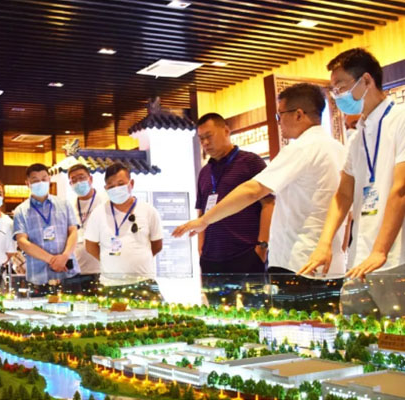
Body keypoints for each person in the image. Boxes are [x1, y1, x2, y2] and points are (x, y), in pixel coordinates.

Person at [174, 84, 347, 277]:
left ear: (298, 115)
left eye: (280, 115)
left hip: (299, 260)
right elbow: (345, 204)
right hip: (330, 260)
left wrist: (205, 220)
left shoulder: (301, 148)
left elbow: (253, 191)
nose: (279, 122)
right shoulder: (339, 149)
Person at [300, 49, 405, 314]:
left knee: (396, 333)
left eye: (341, 87)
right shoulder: (357, 136)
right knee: (355, 332)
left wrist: (380, 250)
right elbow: (343, 194)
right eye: (333, 90)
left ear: (366, 80)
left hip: (395, 258)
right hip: (359, 258)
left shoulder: (400, 119)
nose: (337, 96)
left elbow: (401, 189)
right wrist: (324, 244)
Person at [190, 113, 274, 274]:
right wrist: (201, 247)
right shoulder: (205, 172)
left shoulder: (251, 162)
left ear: (226, 131)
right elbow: (201, 211)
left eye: (209, 136)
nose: (205, 143)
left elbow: (269, 203)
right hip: (211, 257)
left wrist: (262, 245)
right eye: (201, 139)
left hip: (246, 253)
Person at [85, 162, 164, 289]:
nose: (116, 189)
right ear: (106, 189)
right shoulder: (98, 213)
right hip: (111, 284)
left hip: (144, 282)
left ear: (131, 184)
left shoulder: (148, 210)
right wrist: (109, 260)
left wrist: (137, 258)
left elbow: (157, 244)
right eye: (111, 186)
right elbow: (90, 246)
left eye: (121, 184)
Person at [13, 163, 80, 295]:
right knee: (38, 308)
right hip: (38, 276)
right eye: (35, 180)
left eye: (44, 179)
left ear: (49, 179)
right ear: (27, 183)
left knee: (75, 306)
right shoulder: (20, 211)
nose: (40, 183)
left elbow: (73, 231)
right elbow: (22, 242)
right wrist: (52, 260)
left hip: (68, 271)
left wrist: (64, 256)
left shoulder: (64, 204)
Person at [68, 164, 107, 294]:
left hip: (101, 269)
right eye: (74, 180)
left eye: (81, 177)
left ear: (90, 179)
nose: (78, 182)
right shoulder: (69, 206)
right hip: (75, 270)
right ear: (70, 184)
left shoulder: (105, 201)